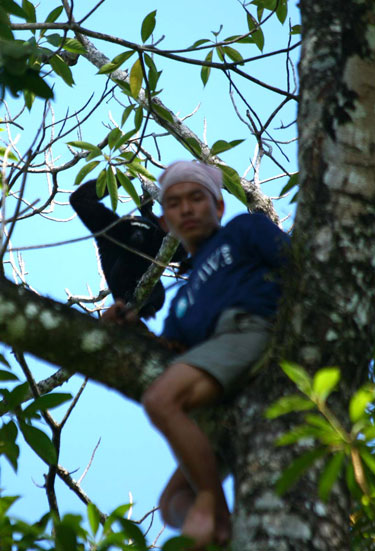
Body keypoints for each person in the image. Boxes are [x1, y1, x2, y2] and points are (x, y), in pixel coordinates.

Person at [106, 160, 290, 548]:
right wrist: (130, 325)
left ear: (219, 207)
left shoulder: (243, 230)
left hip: (252, 330)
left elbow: (297, 266)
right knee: (171, 502)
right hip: (218, 375)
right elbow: (169, 352)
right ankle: (229, 534)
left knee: (161, 399)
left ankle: (215, 511)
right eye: (173, 203)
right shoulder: (182, 301)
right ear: (163, 222)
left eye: (196, 198)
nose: (186, 209)